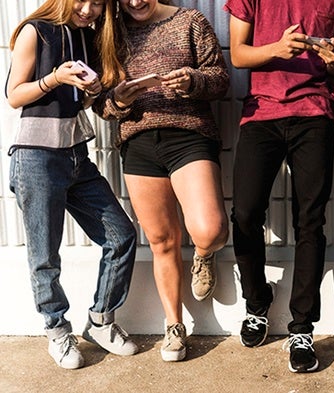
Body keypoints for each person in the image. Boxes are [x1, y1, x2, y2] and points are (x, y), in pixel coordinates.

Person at [93, 0, 229, 362]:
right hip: (138, 143)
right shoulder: (109, 33)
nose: (135, 1)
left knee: (211, 229)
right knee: (161, 241)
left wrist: (192, 80)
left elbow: (220, 79)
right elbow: (99, 104)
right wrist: (117, 101)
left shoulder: (191, 22)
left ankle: (204, 254)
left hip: (189, 135)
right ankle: (174, 326)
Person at [224, 0, 334, 373]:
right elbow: (237, 54)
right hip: (261, 111)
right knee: (246, 212)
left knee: (310, 221)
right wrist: (276, 50)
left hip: (315, 112)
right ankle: (257, 300)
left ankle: (302, 328)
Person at [6, 0, 138, 370]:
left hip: (77, 154)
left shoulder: (89, 38)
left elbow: (82, 103)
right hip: (36, 157)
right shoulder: (35, 31)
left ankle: (100, 321)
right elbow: (14, 94)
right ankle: (56, 329)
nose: (87, 8)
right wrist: (53, 79)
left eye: (97, 3)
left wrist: (95, 89)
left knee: (121, 236)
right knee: (44, 257)